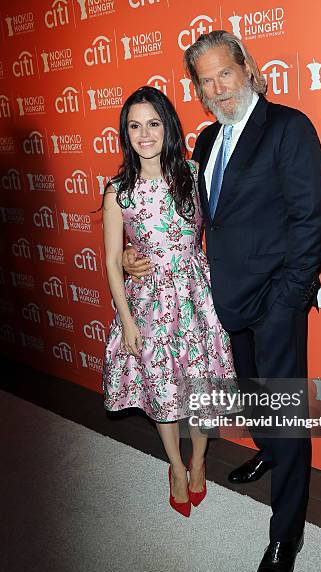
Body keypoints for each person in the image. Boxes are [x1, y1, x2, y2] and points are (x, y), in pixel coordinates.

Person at [123, 31, 321, 572]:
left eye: (224, 74)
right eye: (204, 81)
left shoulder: (289, 128)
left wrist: (290, 296)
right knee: (248, 390)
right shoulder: (208, 141)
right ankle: (264, 452)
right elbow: (181, 220)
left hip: (276, 302)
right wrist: (127, 253)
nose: (216, 89)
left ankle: (286, 534)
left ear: (247, 69)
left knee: (285, 415)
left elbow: (313, 220)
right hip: (223, 298)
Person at [102, 85, 236, 519]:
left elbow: (219, 229)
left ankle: (199, 460)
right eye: (135, 126)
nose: (145, 134)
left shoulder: (194, 175)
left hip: (198, 295)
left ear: (168, 127)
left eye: (153, 123)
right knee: (162, 389)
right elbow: (110, 259)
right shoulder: (118, 190)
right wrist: (126, 321)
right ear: (126, 133)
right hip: (149, 302)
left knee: (200, 388)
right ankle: (176, 467)